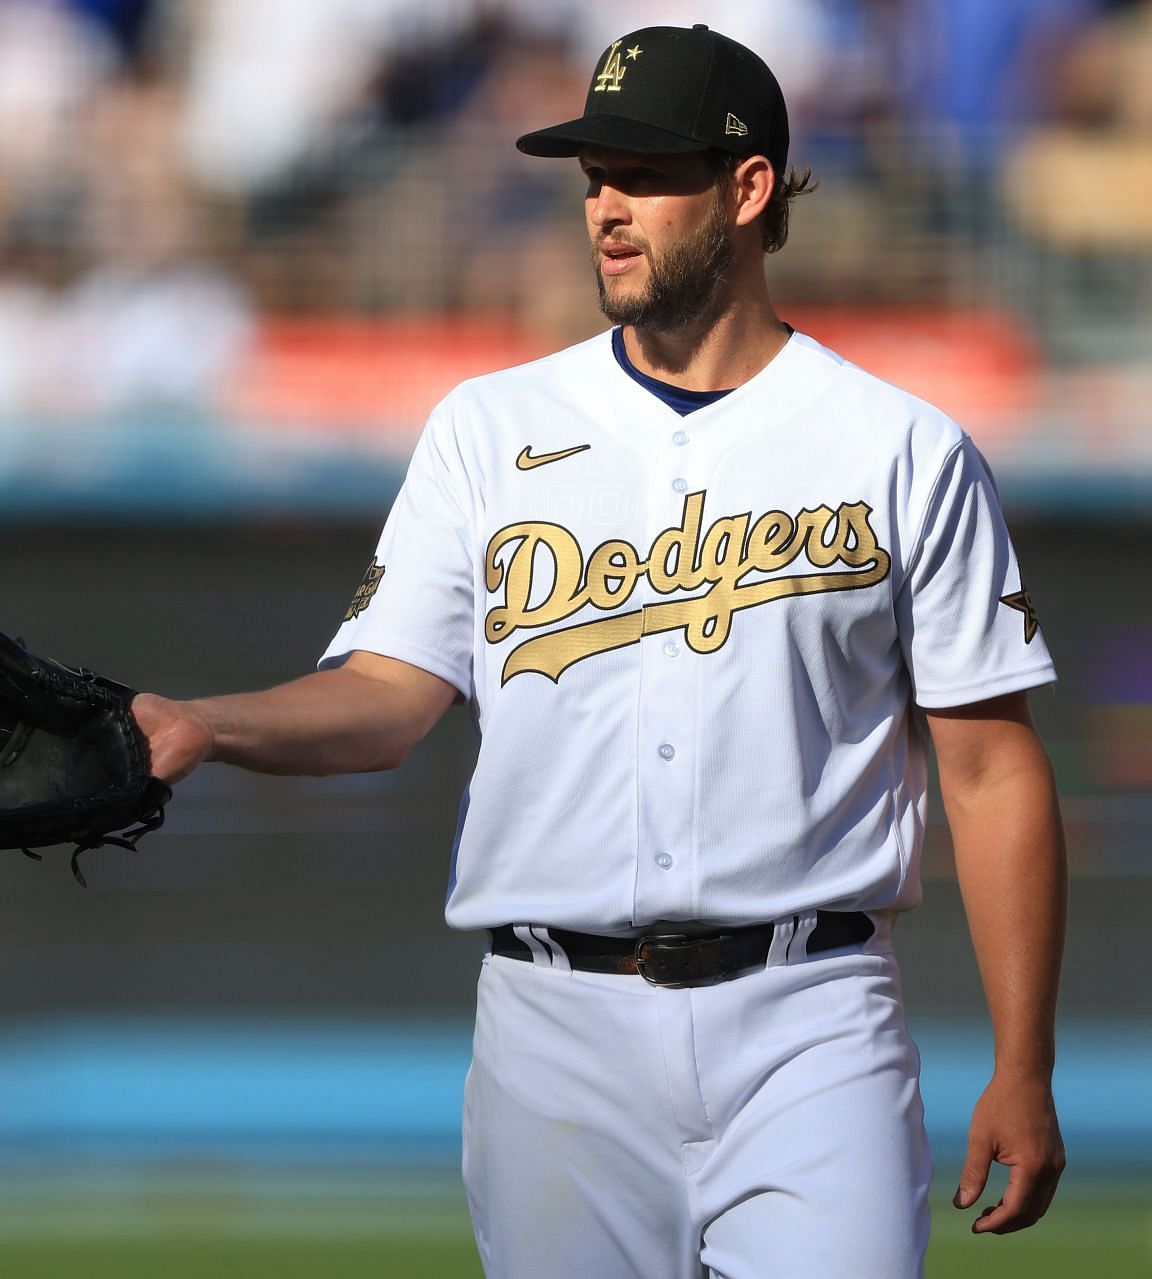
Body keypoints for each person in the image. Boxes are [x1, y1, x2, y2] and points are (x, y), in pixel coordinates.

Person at [132, 23, 1066, 1278]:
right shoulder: (489, 427)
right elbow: (387, 698)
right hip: (552, 1026)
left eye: (644, 171)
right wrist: (209, 723)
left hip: (812, 1017)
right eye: (592, 175)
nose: (607, 206)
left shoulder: (899, 446)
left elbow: (991, 770)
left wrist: (1023, 1062)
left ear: (748, 190)